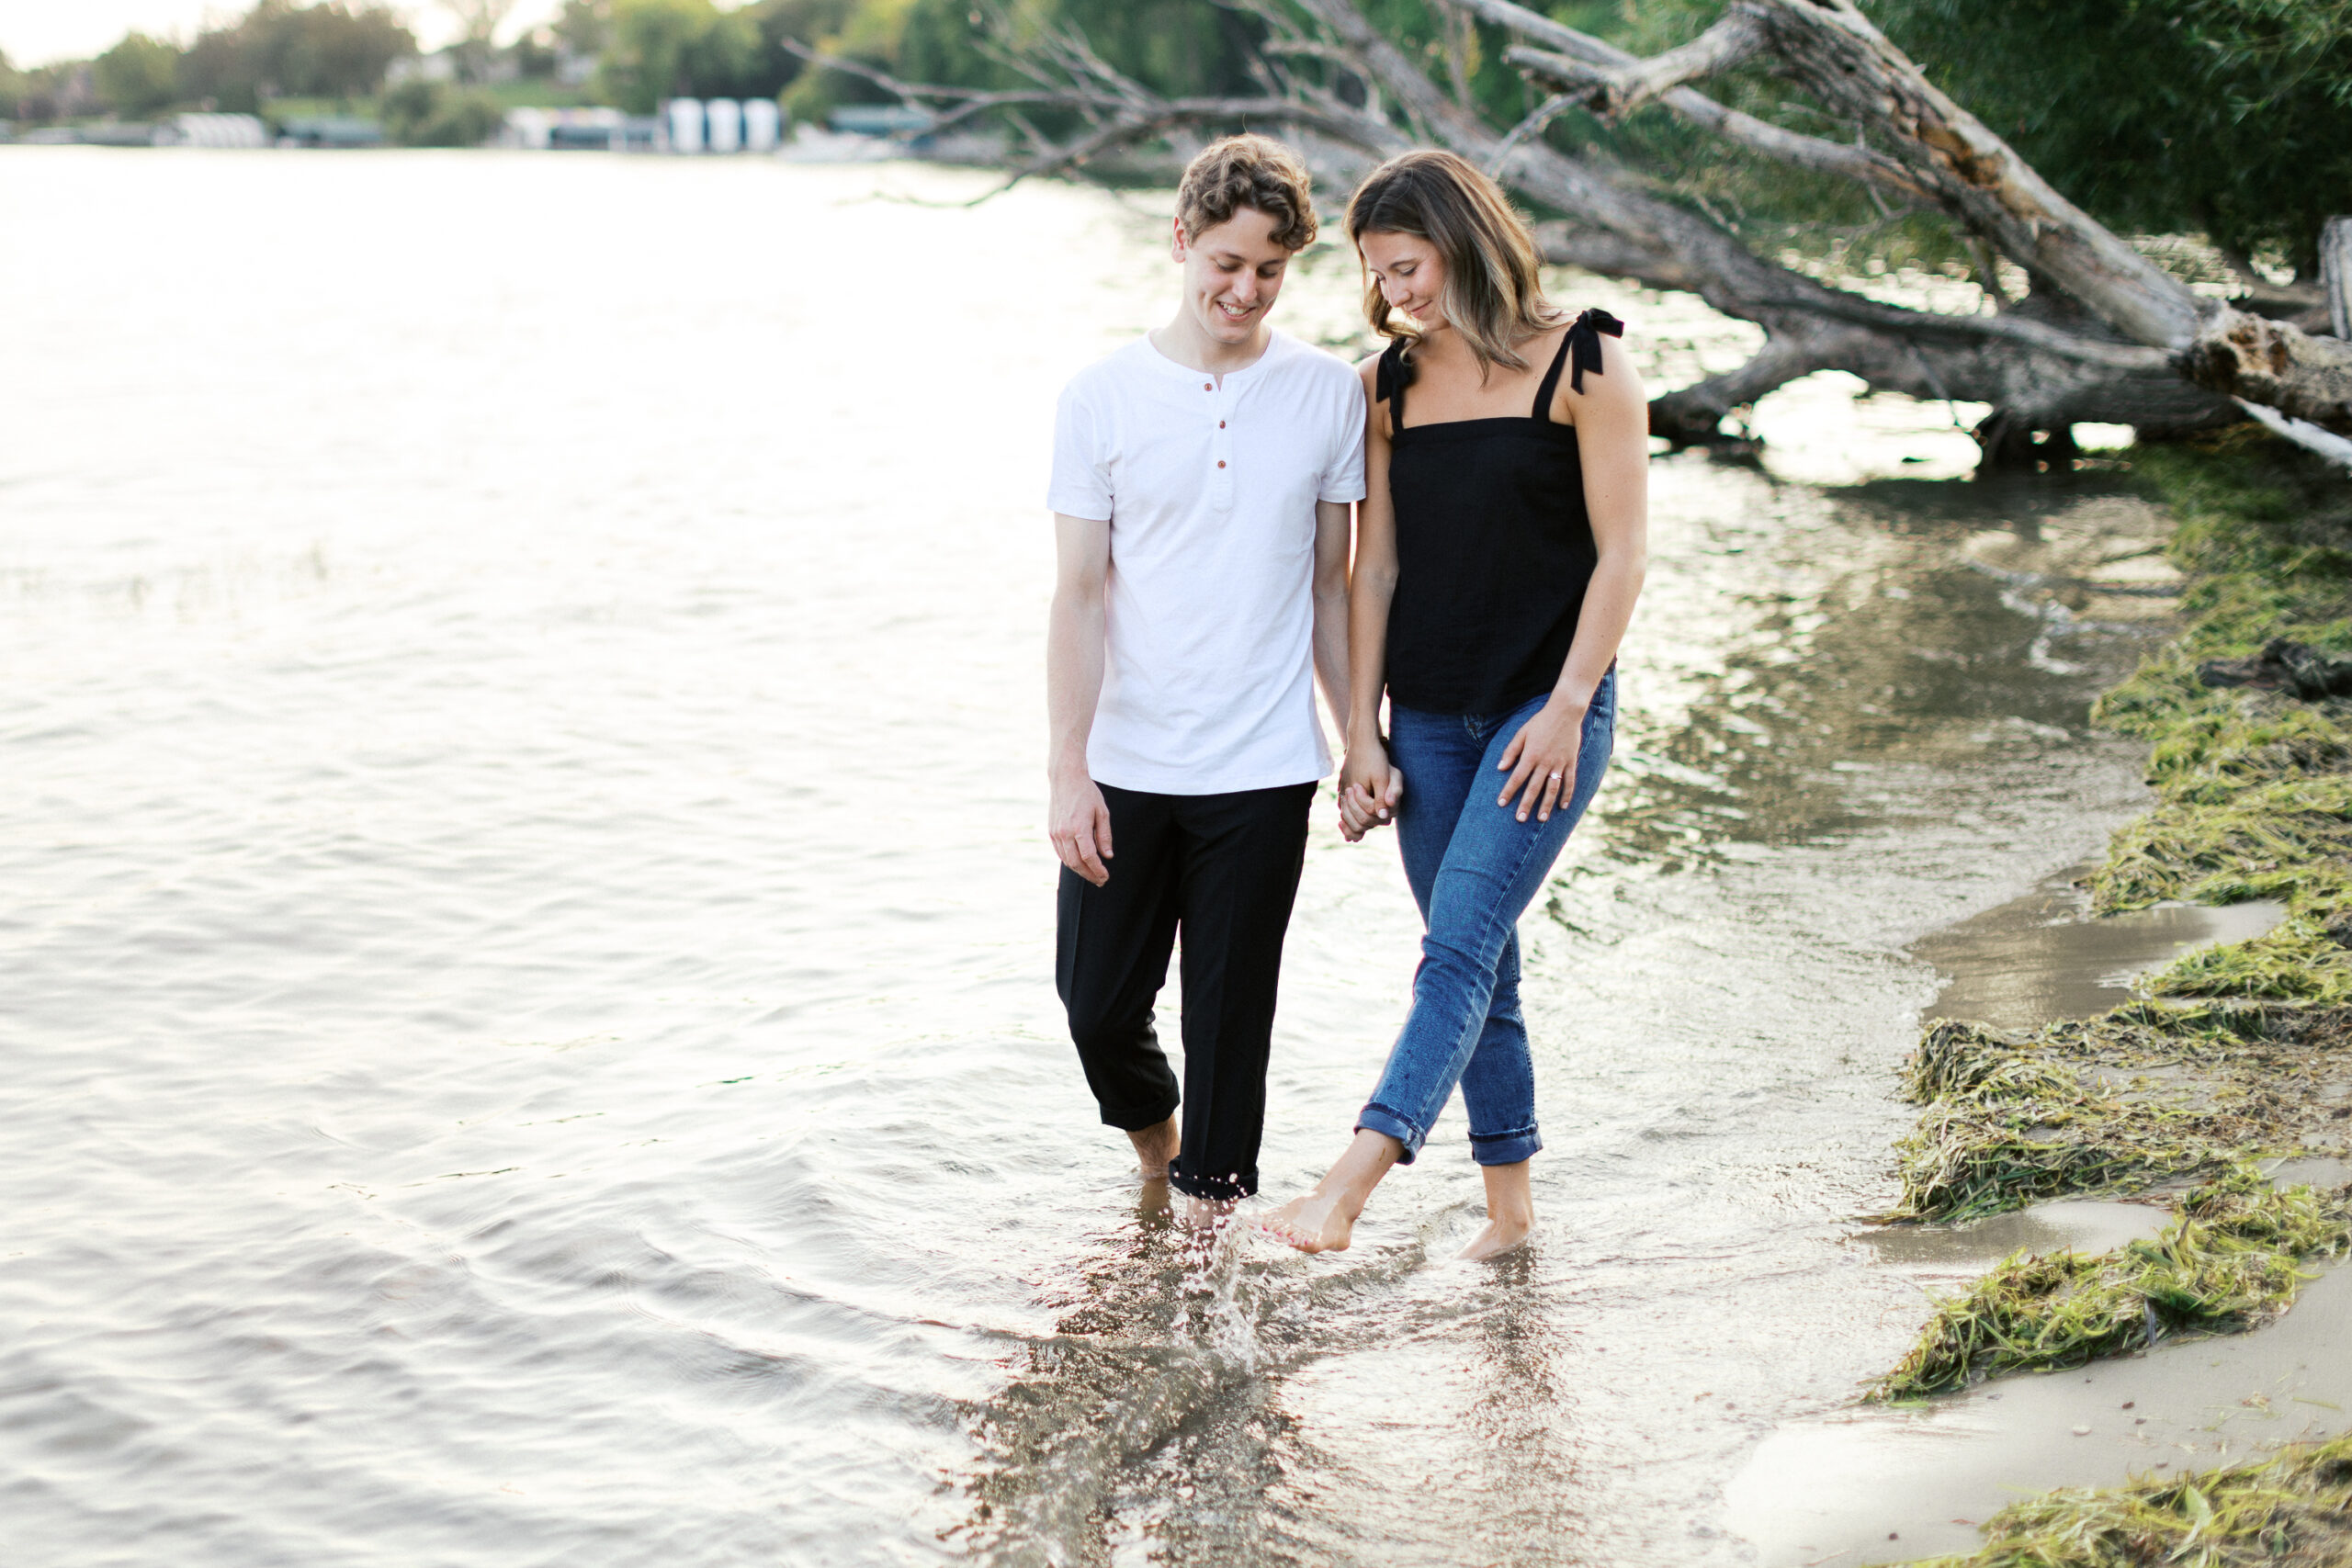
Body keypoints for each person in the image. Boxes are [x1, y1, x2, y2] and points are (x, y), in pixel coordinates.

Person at [1264, 150, 1649, 1261]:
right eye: (1380, 278)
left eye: (1409, 267)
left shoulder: (1585, 359)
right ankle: (1510, 1216)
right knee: (1477, 956)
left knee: (1458, 952)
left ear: (1464, 238)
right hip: (1428, 722)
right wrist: (1362, 737)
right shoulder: (1383, 385)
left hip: (1545, 711)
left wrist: (1571, 705)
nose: (1396, 295)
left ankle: (1348, 1183)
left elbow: (1623, 556)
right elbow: (1369, 572)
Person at [1046, 135, 1365, 1212]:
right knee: (1095, 1007)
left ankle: (1207, 1247)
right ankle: (1156, 1154)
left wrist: (1357, 740)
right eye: (1225, 264)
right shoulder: (1101, 398)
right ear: (1180, 243)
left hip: (1264, 766)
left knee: (1229, 1022)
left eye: (1269, 271)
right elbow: (1079, 597)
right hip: (1129, 762)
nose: (1244, 289)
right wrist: (1066, 771)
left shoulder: (1327, 393)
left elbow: (1332, 587)